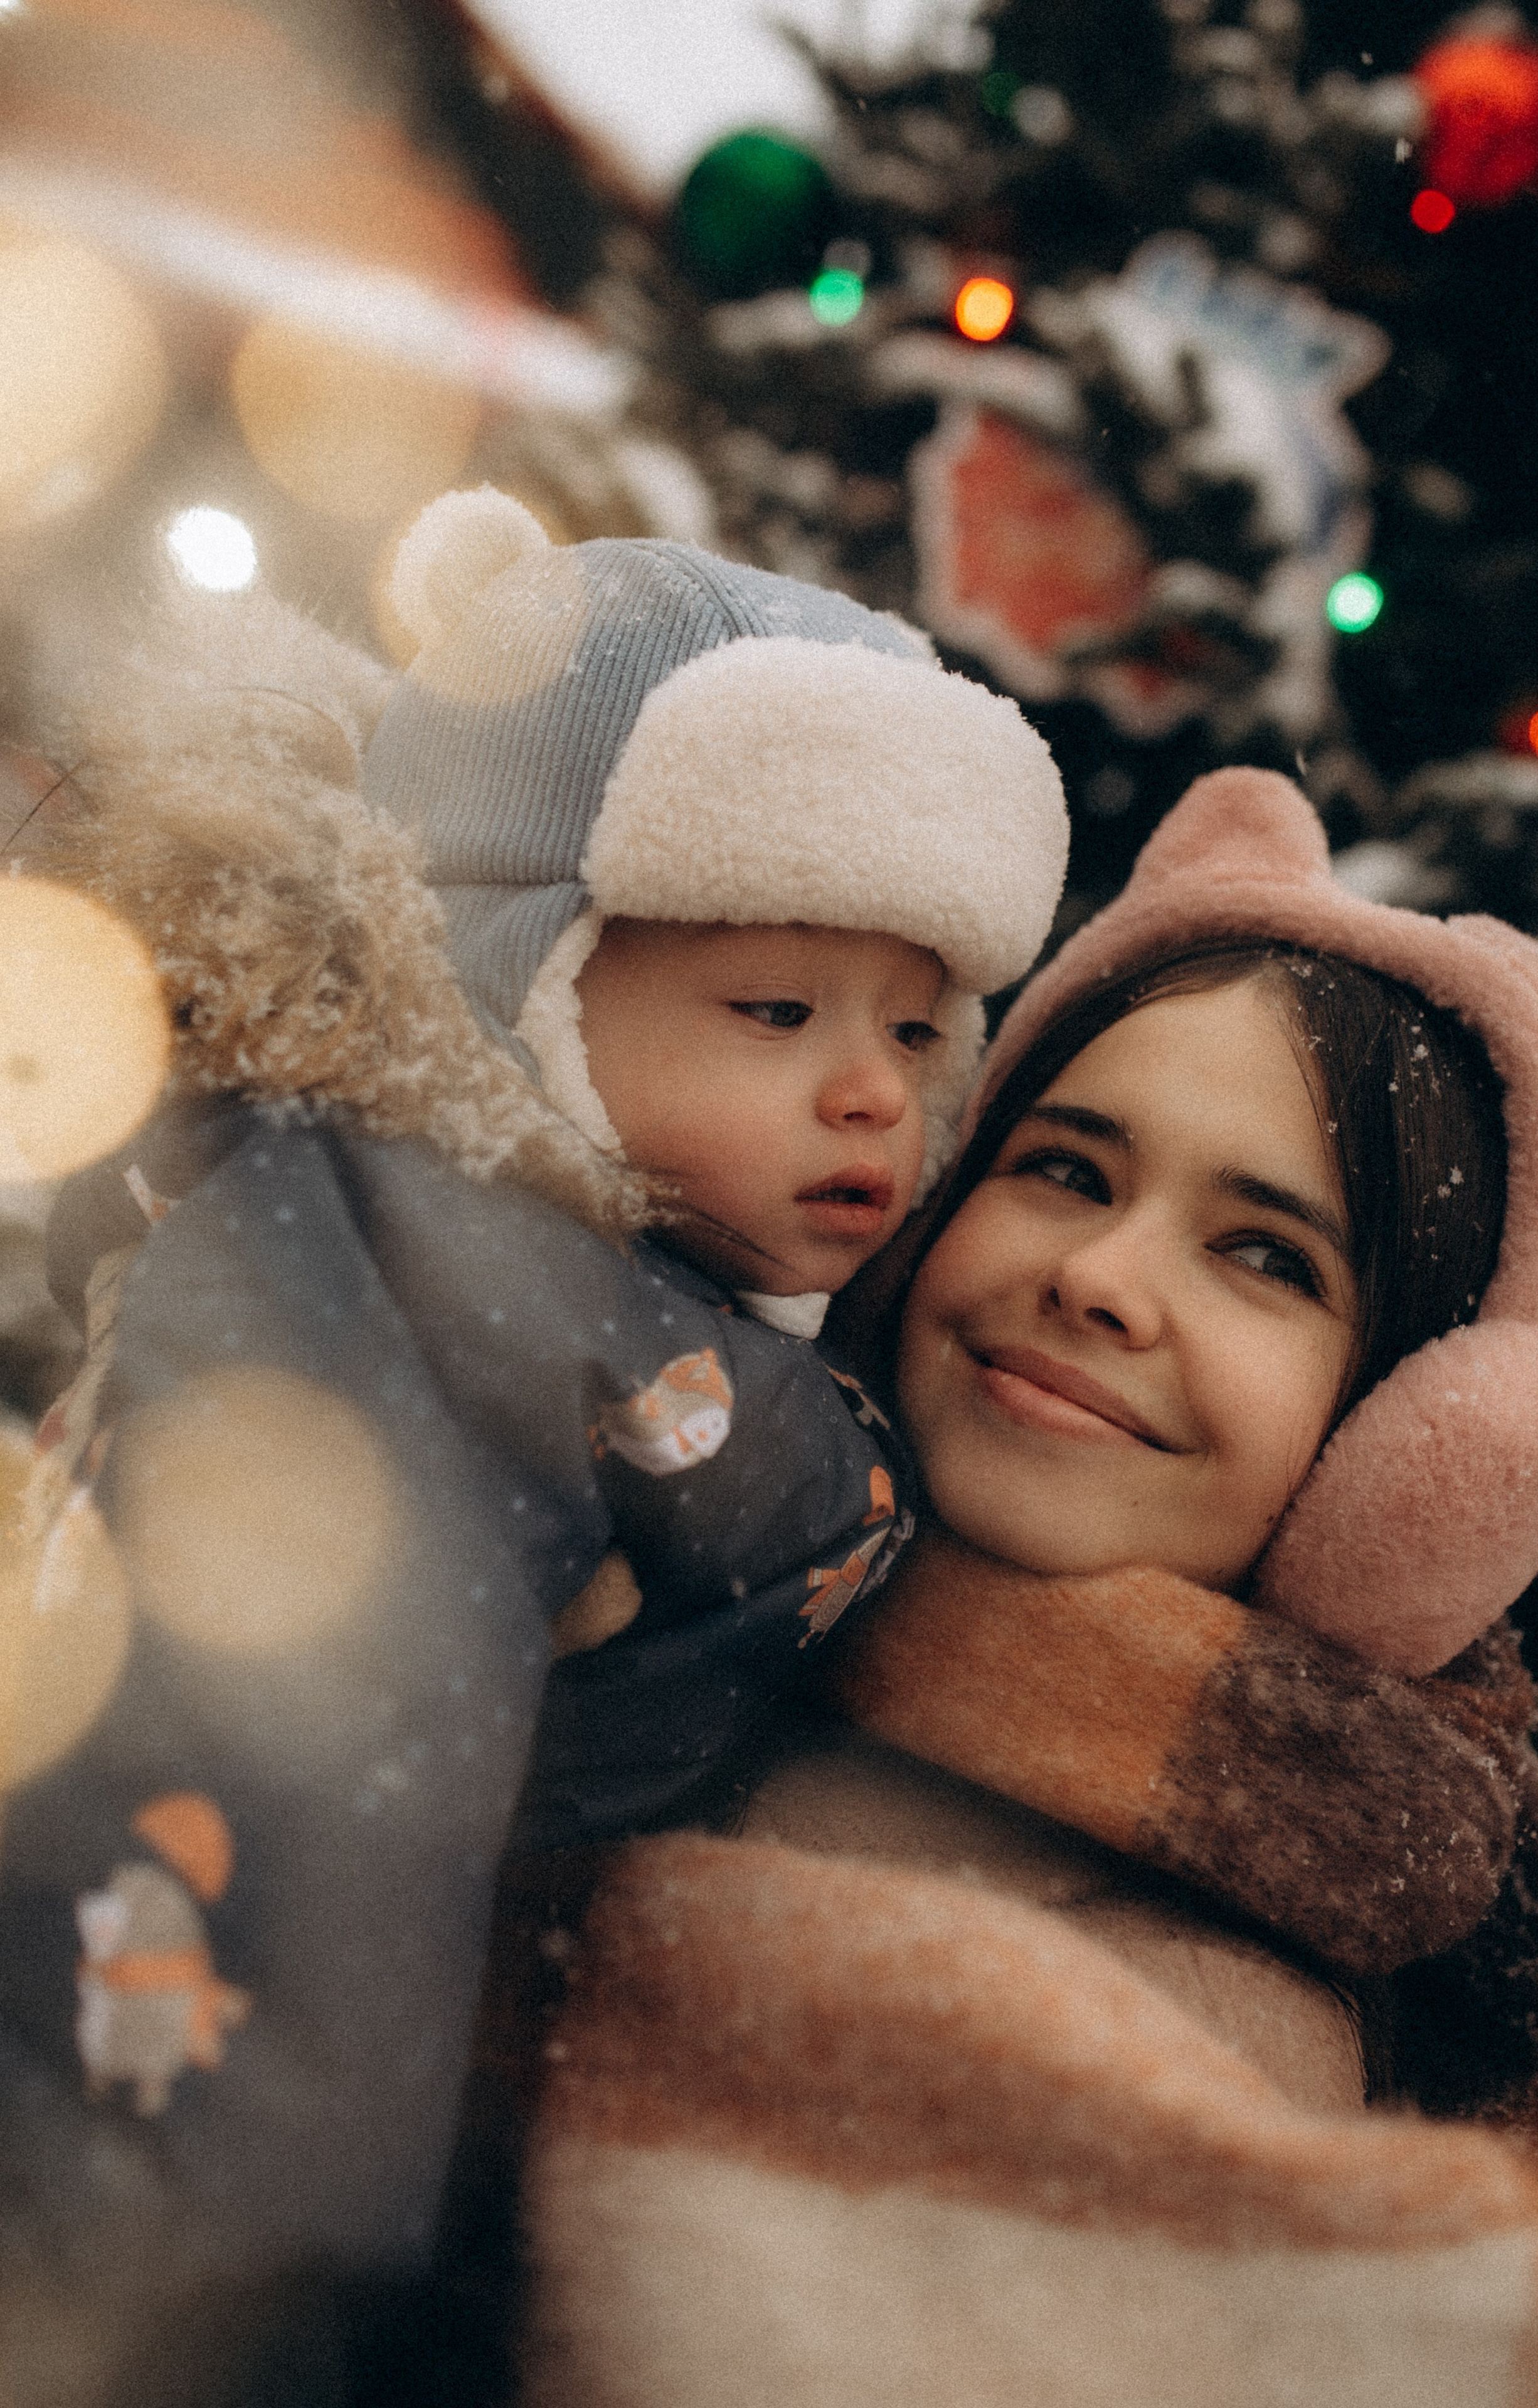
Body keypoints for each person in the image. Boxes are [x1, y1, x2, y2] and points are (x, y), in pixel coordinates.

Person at [2, 491, 1066, 2403]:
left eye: (920, 1032)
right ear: (523, 979)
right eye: (774, 1008)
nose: (868, 1090)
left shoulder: (593, 1291)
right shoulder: (406, 1258)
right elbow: (240, 1760)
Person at [526, 767, 1538, 2405]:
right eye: (1070, 1173)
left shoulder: (1236, 2020)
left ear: (1409, 1457)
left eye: (1265, 1256)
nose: (1099, 1280)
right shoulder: (647, 1569)